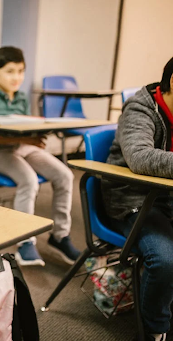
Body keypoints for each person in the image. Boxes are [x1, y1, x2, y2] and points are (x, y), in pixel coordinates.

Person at [0, 46, 80, 266]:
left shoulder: (22, 98)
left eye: (21, 71)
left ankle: (60, 235)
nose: (17, 77)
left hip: (24, 148)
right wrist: (28, 139)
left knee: (65, 175)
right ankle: (25, 241)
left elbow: (24, 127)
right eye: (10, 71)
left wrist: (36, 133)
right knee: (29, 180)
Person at [102, 56, 173, 341]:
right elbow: (140, 157)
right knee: (166, 260)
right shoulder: (141, 108)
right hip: (134, 200)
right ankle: (156, 328)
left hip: (166, 198)